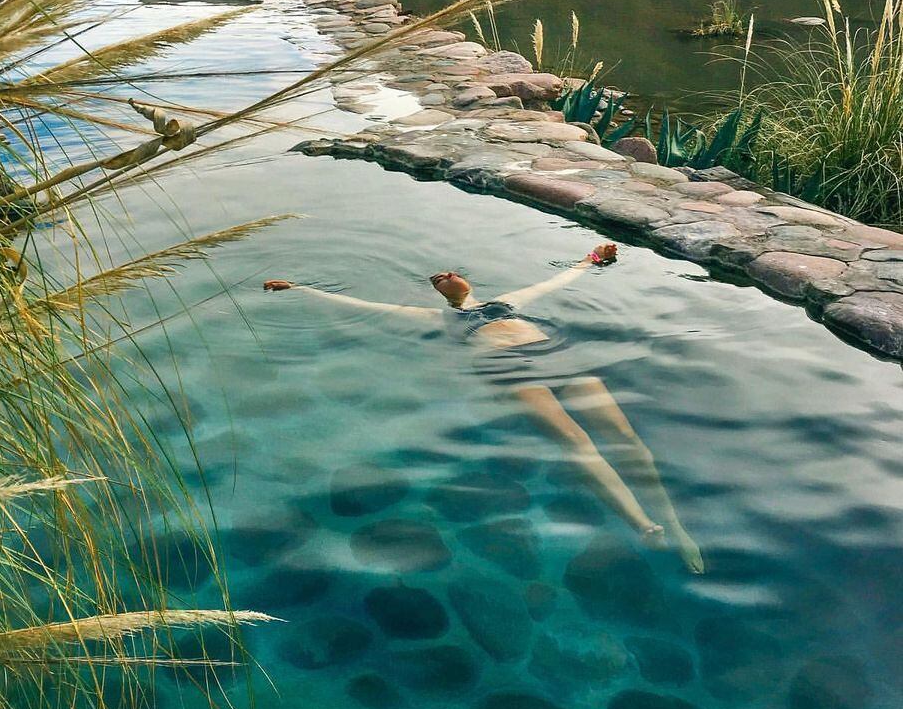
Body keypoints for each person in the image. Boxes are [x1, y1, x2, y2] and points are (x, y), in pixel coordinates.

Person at [264, 245, 704, 573]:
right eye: (438, 278)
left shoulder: (508, 302)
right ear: (440, 293)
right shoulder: (438, 318)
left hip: (555, 352)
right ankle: (643, 522)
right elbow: (365, 306)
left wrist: (591, 259)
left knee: (623, 436)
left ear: (467, 280)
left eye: (450, 271)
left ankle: (676, 525)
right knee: (576, 440)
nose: (446, 275)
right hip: (505, 367)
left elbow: (557, 281)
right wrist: (301, 288)